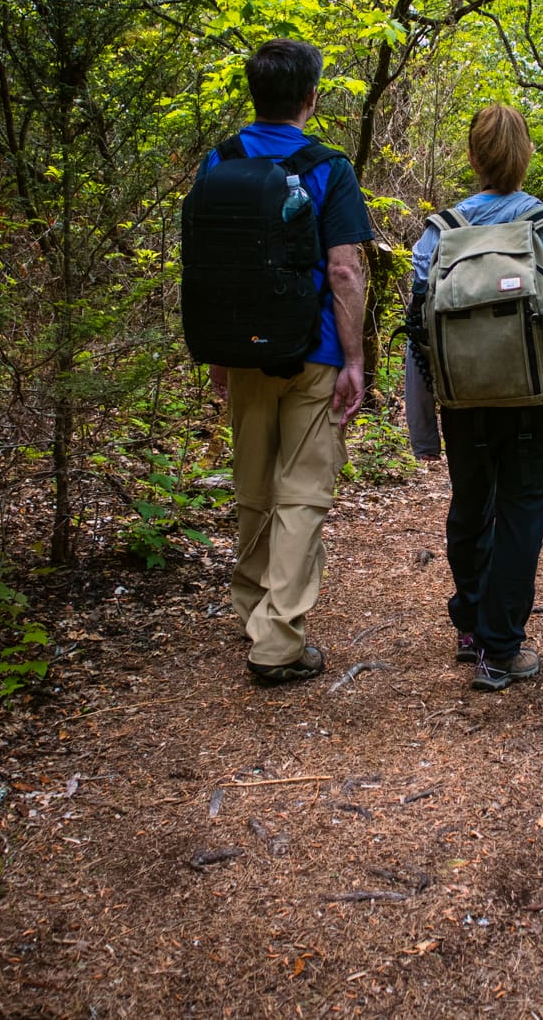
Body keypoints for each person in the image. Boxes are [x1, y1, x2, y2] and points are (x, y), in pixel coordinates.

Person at [405, 105, 543, 691]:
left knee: (471, 501)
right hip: (539, 399)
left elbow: (420, 337)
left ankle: (470, 625)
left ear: (472, 158)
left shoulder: (439, 233)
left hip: (462, 398)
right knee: (521, 512)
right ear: (527, 156)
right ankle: (500, 650)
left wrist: (423, 428)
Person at [203, 39, 370, 684]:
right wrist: (353, 360)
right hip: (314, 351)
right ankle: (276, 639)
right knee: (302, 494)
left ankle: (255, 613)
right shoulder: (329, 167)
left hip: (241, 350)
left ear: (254, 94)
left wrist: (217, 349)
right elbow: (344, 270)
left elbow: (209, 264)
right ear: (310, 97)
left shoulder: (219, 160)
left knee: (252, 487)